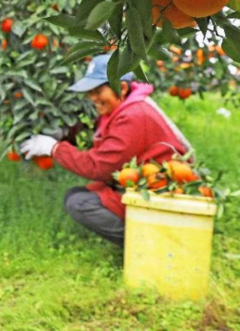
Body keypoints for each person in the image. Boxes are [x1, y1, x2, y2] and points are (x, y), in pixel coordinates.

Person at [20, 54, 193, 247]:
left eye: (98, 91)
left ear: (123, 88)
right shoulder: (122, 109)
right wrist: (65, 133)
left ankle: (151, 243)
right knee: (76, 194)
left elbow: (99, 167)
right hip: (144, 185)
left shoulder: (133, 116)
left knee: (81, 204)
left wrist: (54, 148)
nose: (93, 98)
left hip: (162, 193)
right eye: (90, 92)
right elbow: (101, 134)